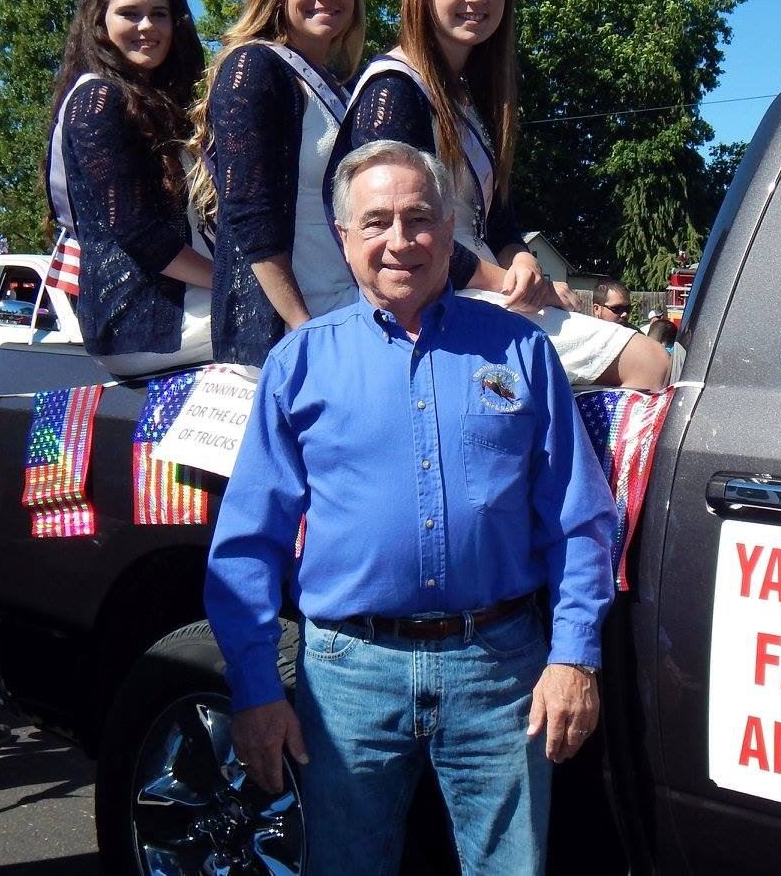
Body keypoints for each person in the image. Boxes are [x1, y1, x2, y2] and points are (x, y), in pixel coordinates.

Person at [205, 139, 617, 875]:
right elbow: (248, 544)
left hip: (501, 670)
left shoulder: (522, 353)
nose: (400, 240)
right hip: (348, 675)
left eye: (420, 218)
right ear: (344, 238)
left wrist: (574, 654)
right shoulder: (299, 363)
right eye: (377, 222)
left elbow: (579, 520)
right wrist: (256, 686)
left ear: (450, 224)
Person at [331, 0, 668, 389]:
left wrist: (523, 260)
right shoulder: (394, 90)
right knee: (650, 363)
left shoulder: (471, 95)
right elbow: (397, 233)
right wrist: (521, 284)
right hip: (429, 298)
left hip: (481, 285)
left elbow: (501, 220)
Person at [188, 0, 367, 367]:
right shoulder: (255, 66)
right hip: (284, 328)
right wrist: (300, 324)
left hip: (346, 305)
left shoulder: (339, 86)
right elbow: (249, 212)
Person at [47, 0, 211, 376]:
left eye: (160, 14)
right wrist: (234, 279)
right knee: (297, 327)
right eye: (130, 13)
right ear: (99, 24)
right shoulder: (97, 100)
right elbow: (139, 234)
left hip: (175, 307)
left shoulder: (154, 103)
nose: (147, 26)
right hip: (144, 320)